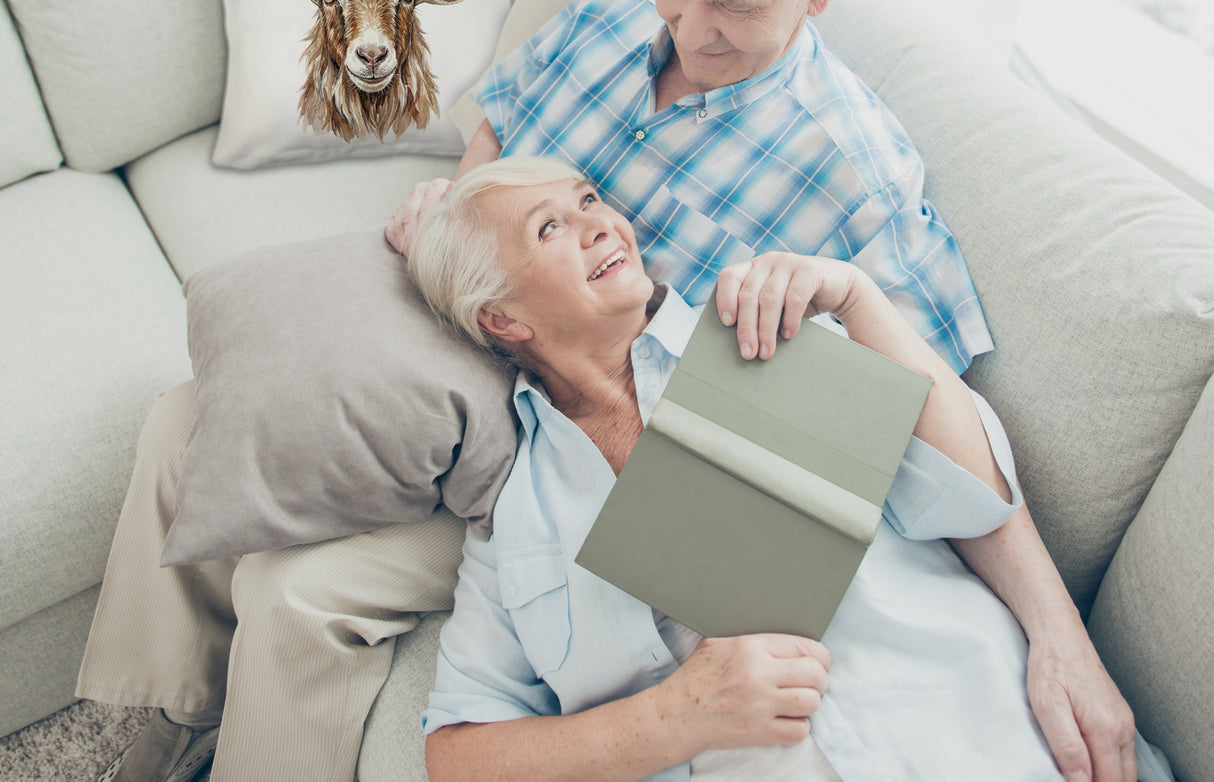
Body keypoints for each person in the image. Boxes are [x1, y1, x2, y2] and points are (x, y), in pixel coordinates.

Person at [79, 0, 1131, 782]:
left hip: (576, 419)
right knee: (192, 414)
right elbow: (498, 128)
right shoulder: (608, 15)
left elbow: (927, 423)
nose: (687, 25)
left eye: (732, 6)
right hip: (485, 313)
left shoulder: (853, 175)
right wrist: (457, 211)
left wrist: (1057, 631)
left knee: (300, 591)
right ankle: (159, 718)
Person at [407, 156, 1158, 782]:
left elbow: (973, 497)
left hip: (987, 733)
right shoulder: (516, 520)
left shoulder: (761, 329)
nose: (601, 222)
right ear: (502, 318)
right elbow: (458, 754)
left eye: (589, 200)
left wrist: (858, 299)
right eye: (550, 227)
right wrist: (674, 717)